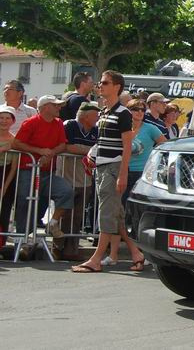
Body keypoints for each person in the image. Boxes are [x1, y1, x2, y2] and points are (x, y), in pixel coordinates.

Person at [72, 71, 146, 273]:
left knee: (106, 213)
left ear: (117, 87)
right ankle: (136, 254)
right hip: (103, 167)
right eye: (100, 82)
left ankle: (96, 259)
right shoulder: (105, 111)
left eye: (105, 83)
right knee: (116, 215)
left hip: (113, 168)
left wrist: (122, 174)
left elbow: (127, 145)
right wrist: (92, 154)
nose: (100, 86)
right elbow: (103, 141)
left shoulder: (123, 113)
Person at [100, 98, 166, 267]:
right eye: (135, 109)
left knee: (134, 215)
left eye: (143, 110)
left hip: (140, 174)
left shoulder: (150, 128)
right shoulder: (123, 128)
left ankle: (140, 253)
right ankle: (113, 255)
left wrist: (155, 165)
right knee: (117, 213)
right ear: (128, 111)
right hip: (121, 171)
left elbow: (165, 146)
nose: (139, 112)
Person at [12, 95, 72, 241]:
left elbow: (62, 145)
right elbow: (16, 143)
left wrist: (50, 154)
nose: (59, 108)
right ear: (45, 107)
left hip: (47, 172)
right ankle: (22, 239)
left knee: (66, 191)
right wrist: (40, 152)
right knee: (25, 202)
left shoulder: (58, 123)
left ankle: (52, 224)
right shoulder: (30, 122)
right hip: (28, 170)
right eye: (55, 105)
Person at [57, 101, 100, 261]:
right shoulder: (70, 125)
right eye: (95, 115)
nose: (97, 118)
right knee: (64, 213)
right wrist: (88, 151)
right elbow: (67, 147)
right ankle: (58, 246)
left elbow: (97, 149)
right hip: (67, 175)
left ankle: (71, 249)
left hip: (85, 178)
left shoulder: (96, 130)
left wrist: (82, 149)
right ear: (85, 116)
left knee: (77, 216)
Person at [0, 106, 17, 248]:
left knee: (4, 209)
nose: (4, 121)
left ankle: (1, 243)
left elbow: (14, 167)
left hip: (6, 175)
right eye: (1, 118)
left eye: (7, 118)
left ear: (12, 121)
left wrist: (4, 187)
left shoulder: (14, 140)